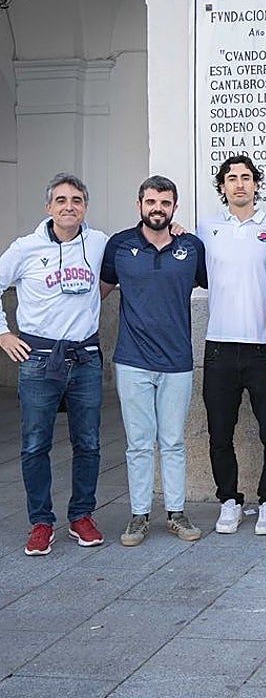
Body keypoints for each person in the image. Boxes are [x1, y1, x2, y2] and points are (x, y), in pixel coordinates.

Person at [0, 173, 108, 555]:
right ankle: (41, 522)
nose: (68, 206)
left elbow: (137, 249)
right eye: (60, 200)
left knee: (89, 443)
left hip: (85, 358)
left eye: (76, 200)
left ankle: (81, 516)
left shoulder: (98, 243)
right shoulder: (25, 248)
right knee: (33, 445)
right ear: (48, 207)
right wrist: (3, 333)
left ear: (84, 207)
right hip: (38, 359)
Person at [101, 175, 208, 546]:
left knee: (173, 441)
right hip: (132, 360)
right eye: (151, 202)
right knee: (139, 443)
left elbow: (211, 283)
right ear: (140, 205)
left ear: (174, 207)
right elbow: (98, 292)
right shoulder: (119, 245)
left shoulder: (191, 247)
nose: (157, 209)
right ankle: (139, 515)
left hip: (177, 360)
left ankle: (176, 514)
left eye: (164, 203)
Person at [198, 155, 266, 536]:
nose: (239, 184)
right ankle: (229, 501)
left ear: (256, 184)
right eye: (232, 178)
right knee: (220, 432)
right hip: (219, 346)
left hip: (263, 348)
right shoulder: (206, 229)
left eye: (246, 178)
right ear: (222, 186)